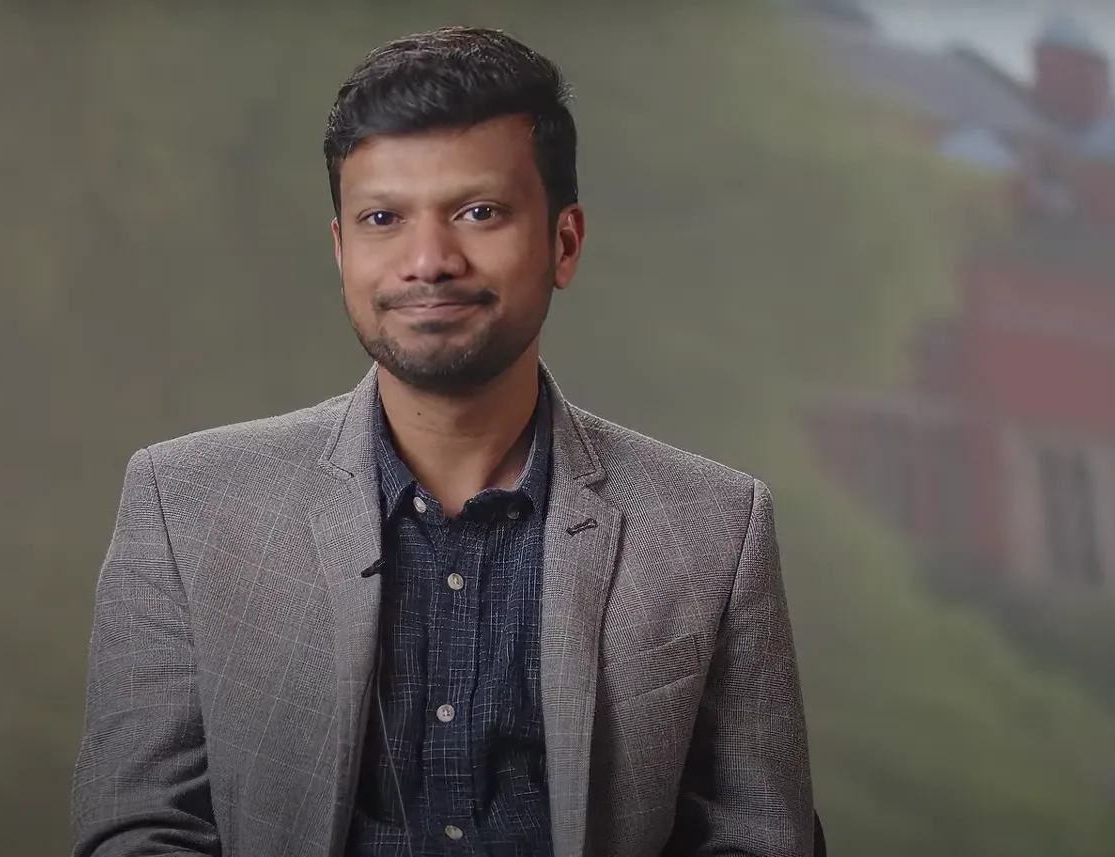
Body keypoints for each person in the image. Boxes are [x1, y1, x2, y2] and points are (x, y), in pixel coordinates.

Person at [71, 25, 818, 857]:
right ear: (342, 248)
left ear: (563, 243)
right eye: (383, 217)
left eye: (479, 211)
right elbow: (138, 830)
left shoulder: (717, 524)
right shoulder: (188, 501)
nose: (428, 260)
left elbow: (762, 838)